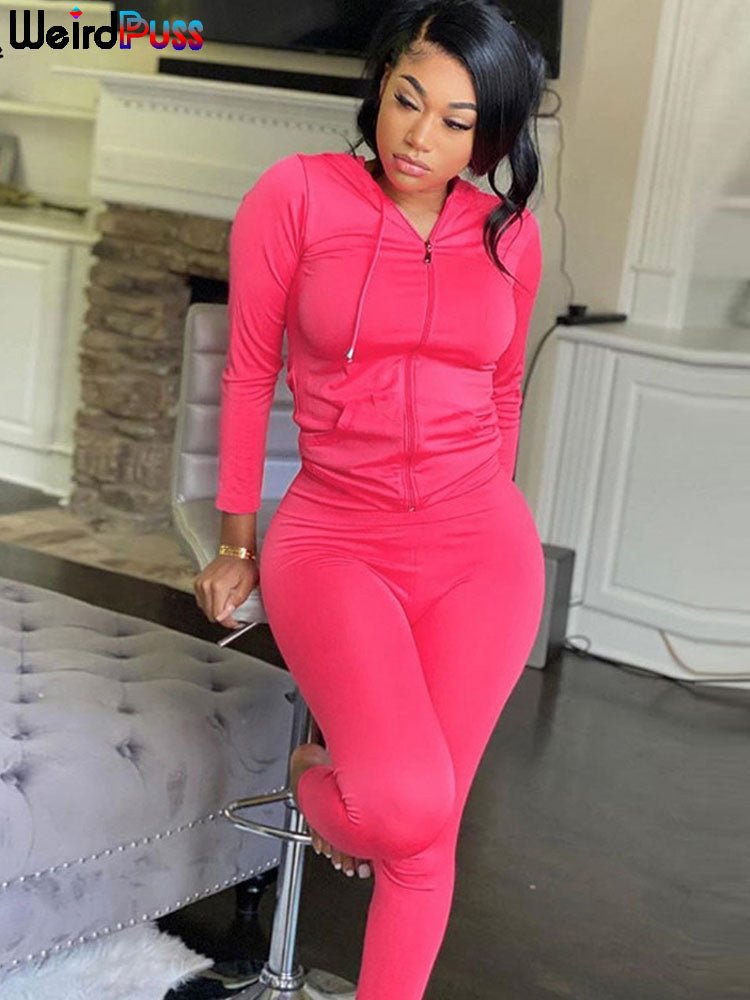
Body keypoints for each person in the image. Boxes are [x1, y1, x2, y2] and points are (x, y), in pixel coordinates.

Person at [194, 1, 547, 997]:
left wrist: (484, 509)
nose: (419, 137)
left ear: (490, 138)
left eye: (455, 120)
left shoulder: (509, 235)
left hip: (482, 548)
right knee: (397, 808)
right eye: (406, 100)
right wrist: (235, 542)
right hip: (335, 536)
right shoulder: (298, 196)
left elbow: (505, 390)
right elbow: (248, 371)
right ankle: (315, 776)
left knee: (428, 836)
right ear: (380, 86)